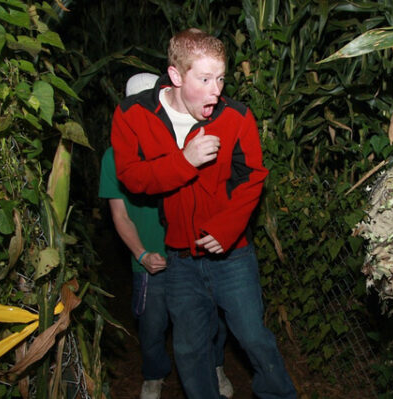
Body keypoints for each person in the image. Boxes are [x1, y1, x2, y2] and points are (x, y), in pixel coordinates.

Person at [110, 29, 297, 398]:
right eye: (205, 78)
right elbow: (131, 178)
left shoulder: (237, 117)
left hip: (233, 255)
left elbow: (253, 177)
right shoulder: (133, 114)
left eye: (221, 78)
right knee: (190, 349)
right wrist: (185, 161)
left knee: (254, 338)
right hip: (179, 257)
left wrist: (226, 228)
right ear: (177, 76)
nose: (216, 90)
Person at [100, 72, 234, 399]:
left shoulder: (192, 144)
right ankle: (154, 375)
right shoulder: (114, 157)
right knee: (152, 326)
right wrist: (141, 254)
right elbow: (119, 214)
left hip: (193, 255)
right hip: (151, 260)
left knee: (209, 319)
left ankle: (215, 366)